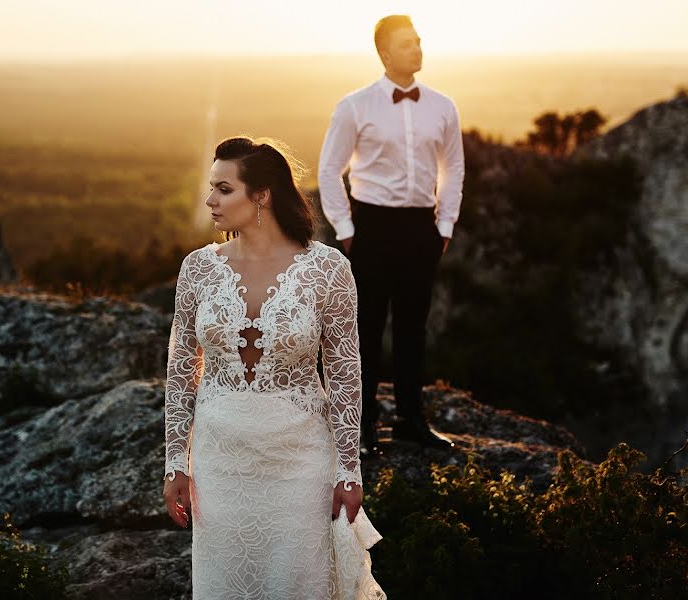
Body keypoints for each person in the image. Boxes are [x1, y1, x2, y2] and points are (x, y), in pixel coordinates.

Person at [163, 136, 385, 599]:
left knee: (297, 584)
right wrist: (174, 465)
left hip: (300, 462)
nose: (210, 200)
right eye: (211, 188)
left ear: (261, 194)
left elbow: (345, 372)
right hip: (219, 462)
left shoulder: (329, 269)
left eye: (224, 189)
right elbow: (183, 370)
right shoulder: (198, 269)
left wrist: (349, 469)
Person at [318, 14, 465, 457]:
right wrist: (346, 229)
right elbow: (328, 169)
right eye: (406, 43)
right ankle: (360, 428)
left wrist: (444, 224)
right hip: (371, 228)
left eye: (418, 41)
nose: (417, 49)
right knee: (365, 329)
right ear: (384, 53)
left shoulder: (442, 106)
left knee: (412, 328)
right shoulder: (355, 106)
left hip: (421, 226)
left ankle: (410, 419)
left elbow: (453, 166)